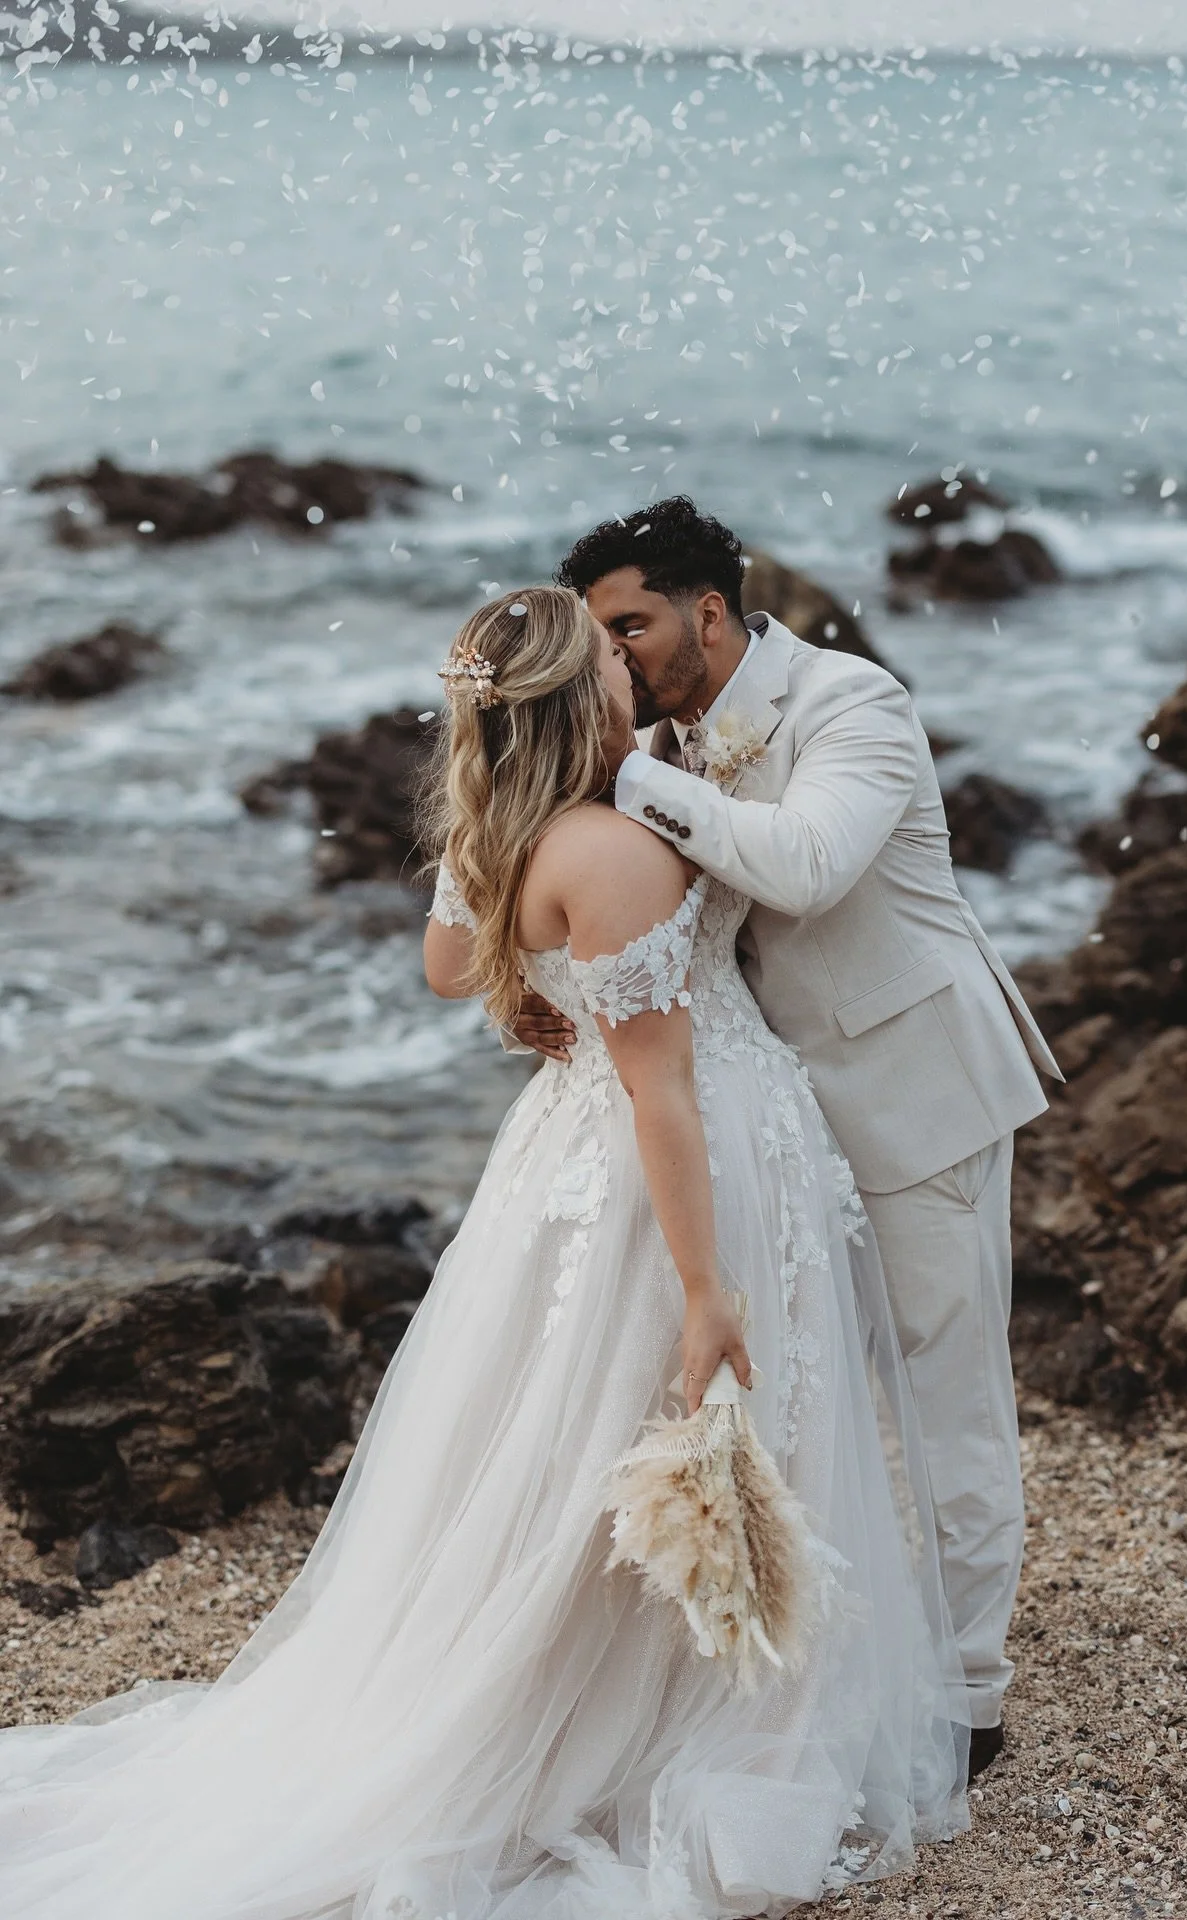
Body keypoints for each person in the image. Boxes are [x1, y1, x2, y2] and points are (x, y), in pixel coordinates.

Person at [0, 585, 961, 1920]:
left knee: (556, 1436)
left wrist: (540, 983)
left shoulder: (505, 826)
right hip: (667, 1175)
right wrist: (704, 1288)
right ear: (585, 699)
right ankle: (640, 1713)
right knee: (671, 1420)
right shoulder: (615, 849)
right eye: (610, 655)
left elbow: (450, 966)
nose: (632, 664)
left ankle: (627, 1671)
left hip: (558, 1165)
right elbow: (663, 1093)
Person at [516, 499, 1062, 1777]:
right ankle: (807, 1659)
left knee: (947, 1402)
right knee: (792, 1396)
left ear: (708, 609)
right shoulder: (659, 733)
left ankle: (973, 1690)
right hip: (770, 1124)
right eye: (602, 636)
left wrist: (628, 776)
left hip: (918, 1094)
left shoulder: (852, 702)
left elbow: (809, 865)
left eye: (630, 624)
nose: (619, 656)